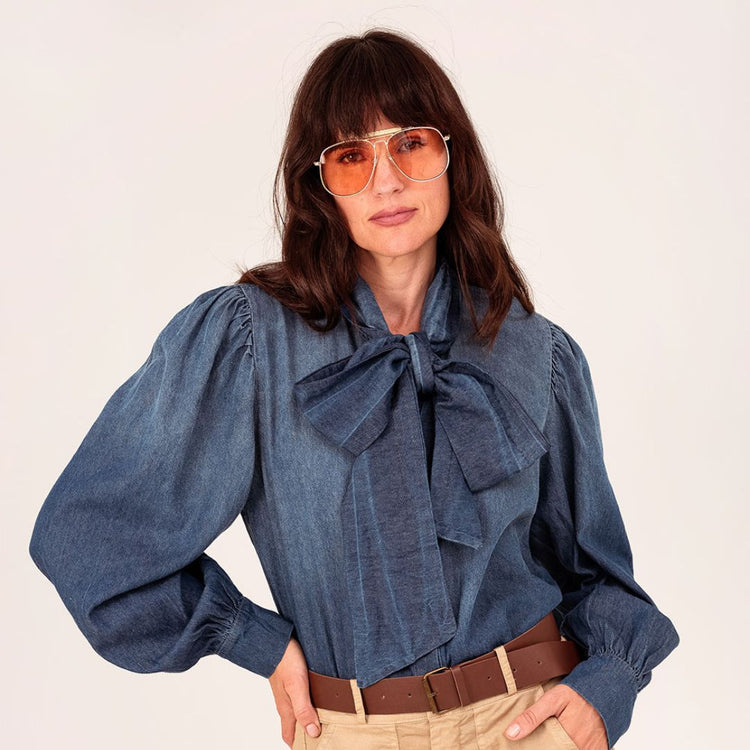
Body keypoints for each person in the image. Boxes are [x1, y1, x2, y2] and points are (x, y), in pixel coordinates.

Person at [29, 29, 678, 750]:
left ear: (453, 156)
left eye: (411, 144)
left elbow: (598, 572)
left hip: (528, 721)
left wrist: (606, 688)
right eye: (351, 156)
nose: (386, 181)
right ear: (320, 185)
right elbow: (90, 537)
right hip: (351, 731)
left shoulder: (535, 350)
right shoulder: (248, 341)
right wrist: (252, 638)